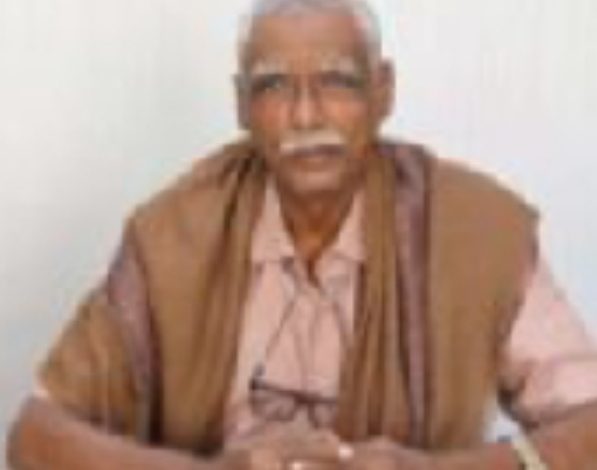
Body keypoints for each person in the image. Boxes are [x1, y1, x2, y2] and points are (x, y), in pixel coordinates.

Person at [8, 0, 597, 468]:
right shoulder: (173, 238)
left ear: (383, 92)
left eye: (337, 82)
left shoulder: (469, 230)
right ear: (241, 105)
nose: (306, 115)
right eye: (273, 86)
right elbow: (33, 437)